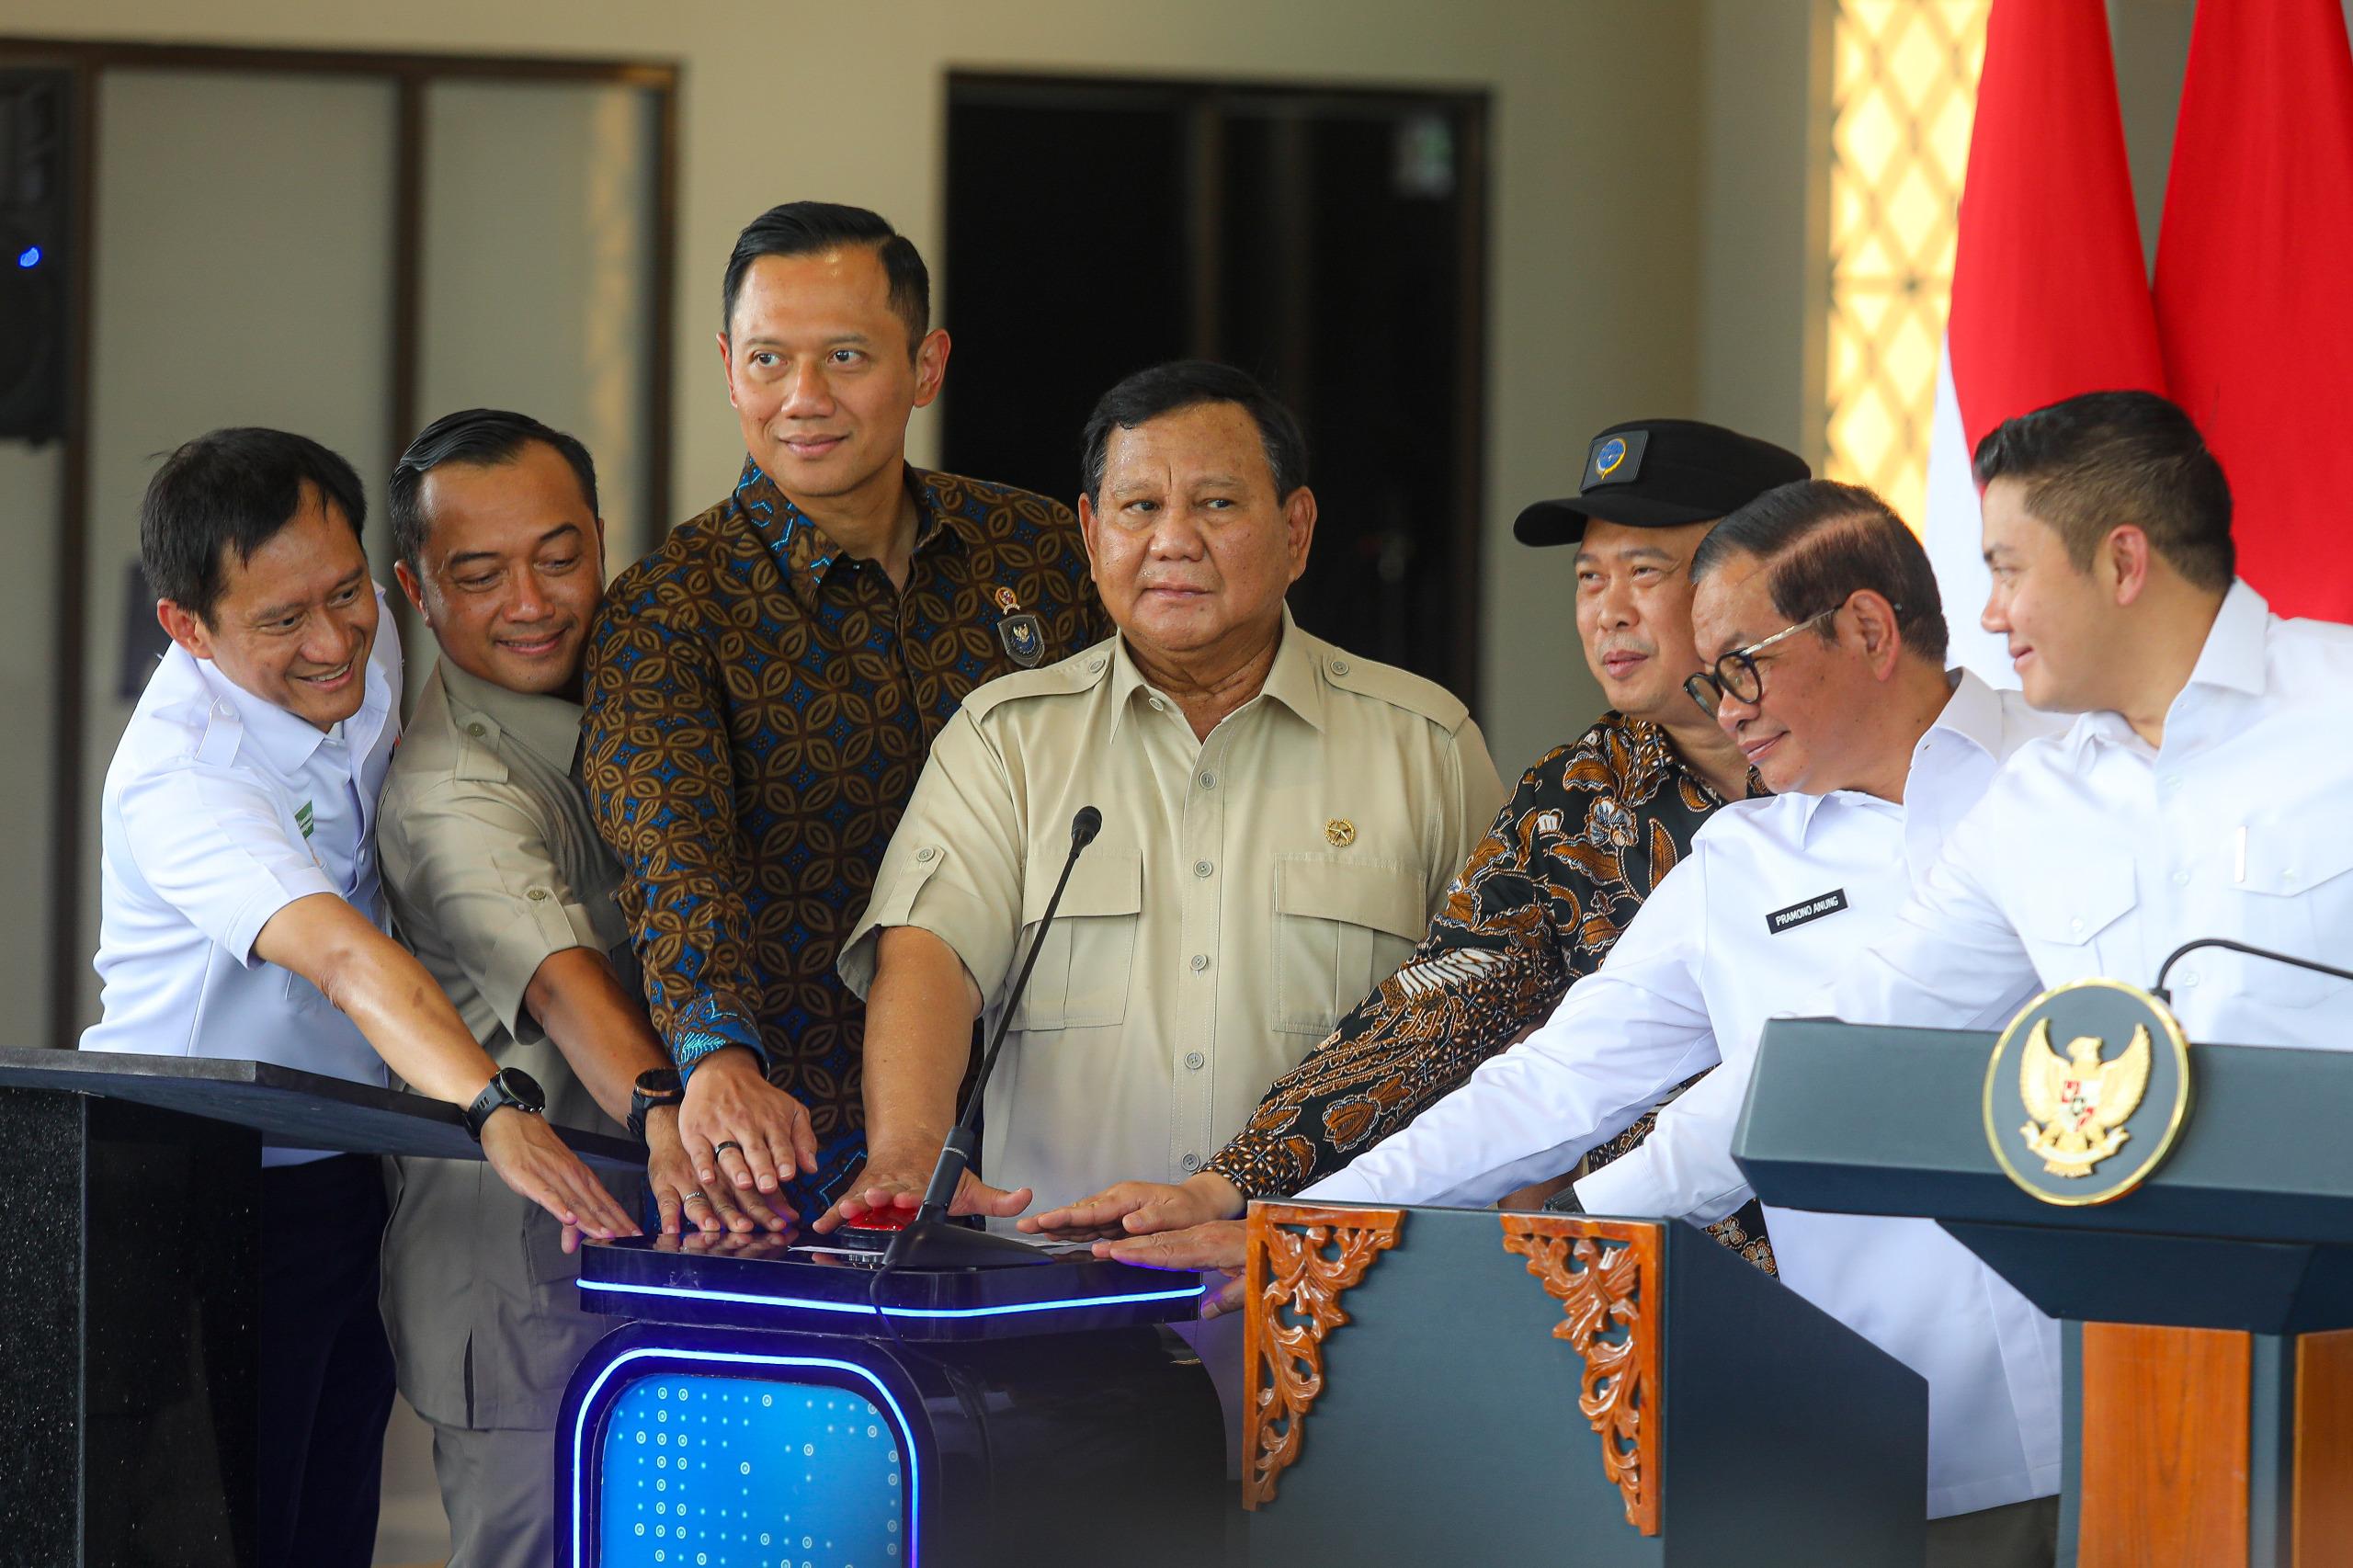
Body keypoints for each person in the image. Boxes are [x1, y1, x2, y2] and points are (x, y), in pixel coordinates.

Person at [1113, 480, 2069, 1563]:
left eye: (1741, 663)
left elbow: (1838, 1069)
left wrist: (1569, 1217)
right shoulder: (1740, 864)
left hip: (2139, 1383)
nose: (1725, 706)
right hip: (1899, 1434)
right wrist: (1310, 1224)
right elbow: (1549, 1082)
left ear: (1865, 628)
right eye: (1707, 677)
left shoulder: (2073, 772)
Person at [1023, 418, 1809, 1265]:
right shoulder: (1578, 799)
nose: (1608, 612)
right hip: (1650, 1286)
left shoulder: (1864, 777)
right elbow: (1439, 1014)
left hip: (1869, 1262)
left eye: (1644, 572)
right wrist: (1232, 1189)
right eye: (1589, 578)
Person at [82, 428, 633, 1568]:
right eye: (283, 620)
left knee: (333, 1524)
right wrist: (494, 1104)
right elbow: (341, 956)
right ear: (187, 626)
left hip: (337, 1161)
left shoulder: (354, 663)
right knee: (221, 1531)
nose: (334, 641)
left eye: (345, 594)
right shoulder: (185, 777)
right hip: (189, 1185)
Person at [822, 359, 1503, 1232]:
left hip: (1336, 1282)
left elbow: (1508, 1015)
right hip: (1061, 1281)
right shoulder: (1006, 740)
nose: (1173, 540)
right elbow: (930, 955)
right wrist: (911, 1146)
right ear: (1091, 531)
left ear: (1296, 530)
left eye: (1217, 504)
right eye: (1140, 507)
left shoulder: (1426, 747)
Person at [582, 201, 1109, 1225]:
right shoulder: (670, 607)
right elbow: (673, 860)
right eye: (768, 361)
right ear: (727, 367)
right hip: (797, 1152)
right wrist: (717, 1056)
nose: (804, 399)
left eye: (846, 357)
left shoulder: (1039, 551)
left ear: (926, 365)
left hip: (1066, 1114)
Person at [376, 409, 777, 1568]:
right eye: (479, 575)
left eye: (558, 557)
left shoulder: (649, 702)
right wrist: (671, 1105)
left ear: (602, 538)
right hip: (523, 1278)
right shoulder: (450, 787)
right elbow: (560, 982)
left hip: (676, 1241)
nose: (531, 603)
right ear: (416, 588)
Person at [1817, 388, 2353, 1068]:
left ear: (2122, 564)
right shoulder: (2027, 805)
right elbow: (1856, 1022)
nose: (1991, 615)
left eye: (2008, 572)